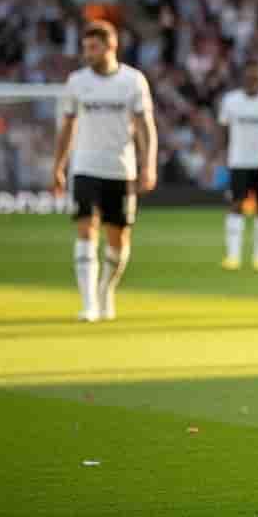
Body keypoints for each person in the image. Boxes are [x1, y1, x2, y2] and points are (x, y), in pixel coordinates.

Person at [51, 20, 157, 322]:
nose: (88, 53)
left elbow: (145, 127)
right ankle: (88, 304)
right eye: (85, 48)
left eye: (93, 47)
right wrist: (58, 166)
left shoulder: (133, 81)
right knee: (86, 231)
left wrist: (148, 163)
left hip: (121, 170)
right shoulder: (76, 82)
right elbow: (67, 128)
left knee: (118, 239)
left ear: (111, 47)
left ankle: (104, 289)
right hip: (84, 167)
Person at [218, 65, 258, 273]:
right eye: (248, 78)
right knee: (236, 205)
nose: (252, 82)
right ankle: (233, 256)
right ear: (243, 79)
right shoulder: (231, 101)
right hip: (238, 161)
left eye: (255, 78)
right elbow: (223, 128)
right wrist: (222, 154)